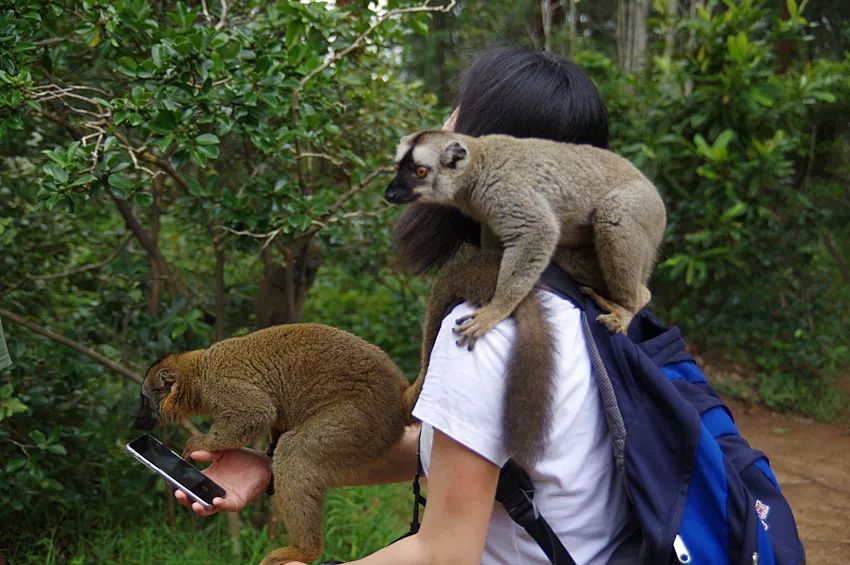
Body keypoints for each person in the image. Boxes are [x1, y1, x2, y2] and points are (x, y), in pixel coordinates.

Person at [176, 47, 637, 564]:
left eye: (455, 123)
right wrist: (277, 464)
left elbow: (444, 555)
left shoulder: (487, 332)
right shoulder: (590, 302)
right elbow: (466, 456)